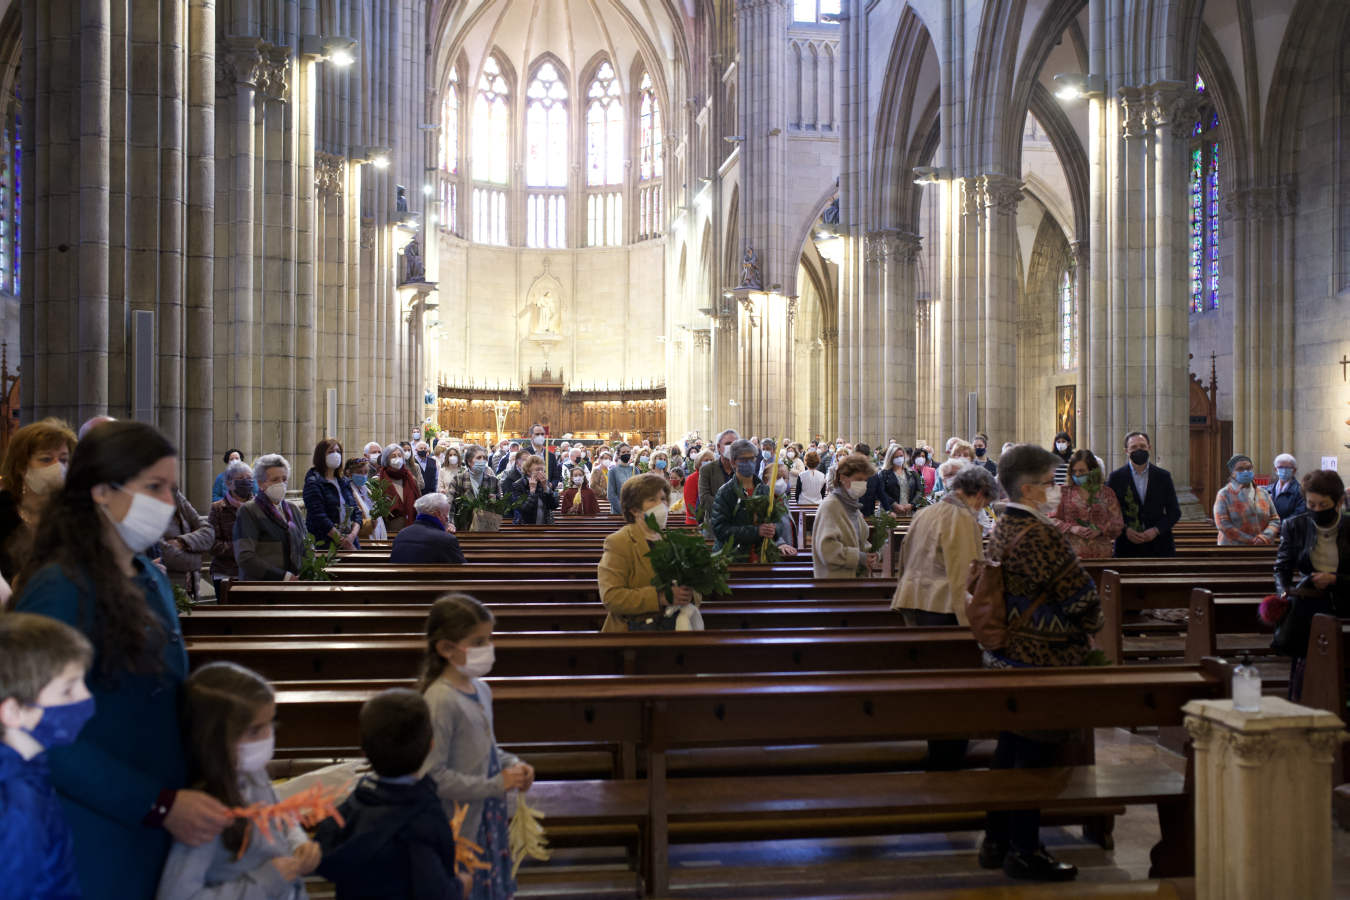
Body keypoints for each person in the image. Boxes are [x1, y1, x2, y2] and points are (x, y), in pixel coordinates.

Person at [12, 421, 233, 898]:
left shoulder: (146, 575)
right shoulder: (61, 586)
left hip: (156, 823)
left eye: (171, 488)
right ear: (101, 491)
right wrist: (156, 803)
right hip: (90, 832)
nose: (168, 503)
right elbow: (33, 728)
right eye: (154, 487)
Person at [976, 445, 1102, 882]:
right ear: (1028, 489)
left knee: (1010, 749)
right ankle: (1025, 850)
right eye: (1051, 483)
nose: (1056, 490)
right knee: (1033, 758)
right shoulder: (1041, 534)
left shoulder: (1003, 525)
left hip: (1006, 656)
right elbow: (1082, 598)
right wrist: (1093, 622)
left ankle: (997, 839)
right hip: (1040, 659)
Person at [156, 662, 320, 900]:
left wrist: (298, 843)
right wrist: (267, 881)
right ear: (214, 738)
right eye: (255, 730)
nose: (268, 736)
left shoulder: (253, 772)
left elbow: (279, 816)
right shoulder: (204, 814)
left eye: (271, 723)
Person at [418, 594, 535, 900]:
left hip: (487, 817)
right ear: (446, 648)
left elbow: (486, 748)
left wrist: (513, 765)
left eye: (489, 639)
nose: (488, 648)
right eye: (478, 642)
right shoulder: (440, 700)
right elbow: (433, 776)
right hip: (457, 828)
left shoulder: (480, 689)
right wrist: (496, 784)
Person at [316, 689, 462, 900]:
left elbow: (325, 852)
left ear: (363, 751)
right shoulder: (423, 818)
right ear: (431, 745)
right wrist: (460, 887)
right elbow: (434, 891)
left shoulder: (355, 802)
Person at [0, 613, 95, 899]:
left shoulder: (28, 774)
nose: (85, 697)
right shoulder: (17, 804)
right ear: (14, 711)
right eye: (68, 690)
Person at [1274, 469, 1350, 700]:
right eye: (1311, 504)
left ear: (1338, 502)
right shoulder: (1295, 526)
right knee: (1307, 665)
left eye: (1323, 505)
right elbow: (1282, 567)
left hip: (1346, 601)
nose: (1316, 510)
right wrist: (1284, 593)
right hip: (1309, 604)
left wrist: (1335, 579)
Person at [892, 463, 997, 627]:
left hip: (912, 598)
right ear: (980, 495)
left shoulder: (924, 513)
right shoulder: (962, 518)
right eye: (984, 504)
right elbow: (964, 572)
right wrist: (969, 622)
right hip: (942, 605)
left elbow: (905, 556)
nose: (980, 509)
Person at [598, 474, 697, 631]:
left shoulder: (672, 541)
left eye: (663, 499)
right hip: (632, 631)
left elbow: (693, 588)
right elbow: (611, 597)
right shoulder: (619, 542)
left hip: (673, 627)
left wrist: (688, 594)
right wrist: (659, 598)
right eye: (652, 500)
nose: (661, 505)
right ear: (634, 510)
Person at [0, 418, 77, 582]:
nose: (57, 467)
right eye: (46, 459)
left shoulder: (77, 514)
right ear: (21, 466)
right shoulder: (3, 510)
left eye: (63, 460)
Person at [710, 439, 797, 558]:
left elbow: (778, 521)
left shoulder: (764, 490)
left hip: (761, 556)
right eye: (744, 460)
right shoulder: (725, 492)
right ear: (733, 462)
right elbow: (720, 530)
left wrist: (774, 530)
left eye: (752, 459)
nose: (749, 463)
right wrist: (756, 531)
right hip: (734, 557)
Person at [1106, 431, 1181, 557]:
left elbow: (1174, 512)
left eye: (1142, 446)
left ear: (1149, 447)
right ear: (1126, 451)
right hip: (1127, 546)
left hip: (1160, 546)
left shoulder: (1163, 476)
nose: (1139, 450)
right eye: (1134, 447)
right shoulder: (1116, 478)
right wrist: (1125, 530)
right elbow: (1108, 511)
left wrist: (1156, 530)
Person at [234, 454, 306, 582]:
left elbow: (306, 545)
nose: (281, 484)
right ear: (260, 483)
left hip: (294, 584)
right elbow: (245, 557)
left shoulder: (293, 509)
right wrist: (283, 577)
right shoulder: (249, 510)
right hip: (263, 586)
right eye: (275, 479)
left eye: (284, 479)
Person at [812, 455, 880, 578]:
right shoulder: (830, 506)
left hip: (853, 580)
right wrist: (859, 557)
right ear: (843, 478)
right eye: (858, 479)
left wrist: (871, 555)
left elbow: (859, 541)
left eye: (865, 480)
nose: (863, 484)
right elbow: (826, 549)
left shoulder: (853, 507)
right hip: (836, 582)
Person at [1049, 450, 1124, 559]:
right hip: (1071, 555)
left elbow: (1117, 523)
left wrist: (1100, 530)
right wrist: (1072, 528)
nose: (1077, 474)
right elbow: (1051, 520)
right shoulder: (1063, 492)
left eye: (1082, 471)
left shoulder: (1106, 493)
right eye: (1074, 471)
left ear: (1092, 470)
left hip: (1101, 556)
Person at [303, 438, 364, 551]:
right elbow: (319, 517)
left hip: (351, 541)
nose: (336, 454)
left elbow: (356, 511)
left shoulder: (343, 482)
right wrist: (342, 541)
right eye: (331, 452)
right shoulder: (313, 482)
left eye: (338, 451)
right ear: (321, 455)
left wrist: (352, 536)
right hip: (326, 545)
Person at [208, 461, 254, 604]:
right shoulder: (218, 509)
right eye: (240, 478)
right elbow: (212, 544)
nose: (245, 481)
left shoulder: (259, 507)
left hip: (254, 573)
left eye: (249, 478)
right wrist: (240, 548)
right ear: (229, 483)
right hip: (226, 573)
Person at [159, 488, 216, 602]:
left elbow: (208, 531)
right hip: (164, 589)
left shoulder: (175, 494)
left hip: (190, 589)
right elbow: (163, 553)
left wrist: (183, 542)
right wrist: (197, 558)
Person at [1214, 453, 1280, 546]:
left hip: (1263, 546)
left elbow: (1275, 519)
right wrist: (1251, 540)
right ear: (1232, 473)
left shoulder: (1263, 493)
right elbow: (1222, 523)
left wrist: (1264, 537)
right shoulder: (1224, 494)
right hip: (1233, 547)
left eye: (1249, 468)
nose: (1246, 472)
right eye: (1240, 469)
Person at [390, 493, 465, 565]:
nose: (447, 519)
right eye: (446, 515)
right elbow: (462, 569)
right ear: (438, 514)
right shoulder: (447, 540)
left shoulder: (401, 535)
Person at [445, 445, 502, 524]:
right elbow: (450, 503)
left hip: (487, 525)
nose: (482, 461)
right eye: (479, 458)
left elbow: (501, 505)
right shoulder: (458, 479)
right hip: (464, 524)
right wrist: (450, 523)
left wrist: (495, 500)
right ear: (469, 461)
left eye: (484, 458)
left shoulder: (493, 481)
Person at [697, 429, 740, 534]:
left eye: (735, 444)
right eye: (728, 444)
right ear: (719, 447)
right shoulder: (707, 470)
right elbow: (704, 498)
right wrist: (728, 507)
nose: (731, 447)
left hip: (738, 528)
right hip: (714, 526)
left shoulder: (743, 469)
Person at [377, 444, 421, 534]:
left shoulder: (411, 479)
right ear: (387, 459)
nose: (397, 458)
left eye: (400, 455)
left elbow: (419, 501)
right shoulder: (379, 480)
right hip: (390, 528)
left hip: (411, 526)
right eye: (393, 456)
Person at [867, 444, 920, 516]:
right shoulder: (883, 474)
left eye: (901, 456)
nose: (899, 459)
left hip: (908, 511)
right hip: (890, 512)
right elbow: (881, 492)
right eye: (896, 457)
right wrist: (893, 504)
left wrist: (912, 504)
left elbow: (919, 491)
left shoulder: (912, 473)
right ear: (890, 458)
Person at [509, 454, 558, 525]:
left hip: (545, 525)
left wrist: (545, 488)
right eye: (537, 470)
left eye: (542, 470)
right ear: (528, 472)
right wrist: (532, 491)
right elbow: (523, 510)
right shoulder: (518, 485)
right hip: (525, 526)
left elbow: (553, 505)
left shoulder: (545, 483)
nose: (541, 473)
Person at [345, 457, 386, 542]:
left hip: (375, 533)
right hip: (361, 537)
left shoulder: (368, 489)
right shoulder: (347, 492)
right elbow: (349, 521)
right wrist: (370, 524)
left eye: (365, 472)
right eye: (359, 472)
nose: (363, 475)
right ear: (350, 474)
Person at [1269, 453, 1306, 521]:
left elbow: (1299, 515)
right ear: (1276, 470)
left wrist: (1278, 525)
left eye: (1287, 468)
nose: (1284, 470)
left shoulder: (1300, 491)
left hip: (1288, 526)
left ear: (1294, 470)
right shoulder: (1268, 490)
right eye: (1280, 467)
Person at [606, 444, 638, 515]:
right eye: (623, 452)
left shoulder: (635, 470)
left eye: (628, 452)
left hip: (634, 510)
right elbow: (611, 495)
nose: (626, 454)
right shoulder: (613, 471)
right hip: (618, 512)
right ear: (618, 455)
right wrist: (623, 510)